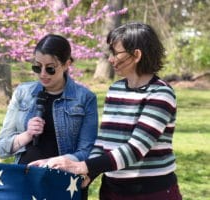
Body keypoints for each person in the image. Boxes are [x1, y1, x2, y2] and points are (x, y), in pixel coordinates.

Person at [29, 22, 183, 200]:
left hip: (152, 193)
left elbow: (135, 149)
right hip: (112, 191)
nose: (110, 59)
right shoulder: (116, 89)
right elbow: (103, 143)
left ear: (136, 55)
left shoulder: (160, 93)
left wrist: (82, 166)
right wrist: (89, 173)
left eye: (115, 53)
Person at [0, 34, 98, 169]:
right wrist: (27, 135)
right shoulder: (23, 92)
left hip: (62, 180)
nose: (43, 74)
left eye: (50, 68)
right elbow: (1, 148)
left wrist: (53, 163)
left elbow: (87, 151)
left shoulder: (85, 98)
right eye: (37, 67)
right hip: (24, 178)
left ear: (67, 64)